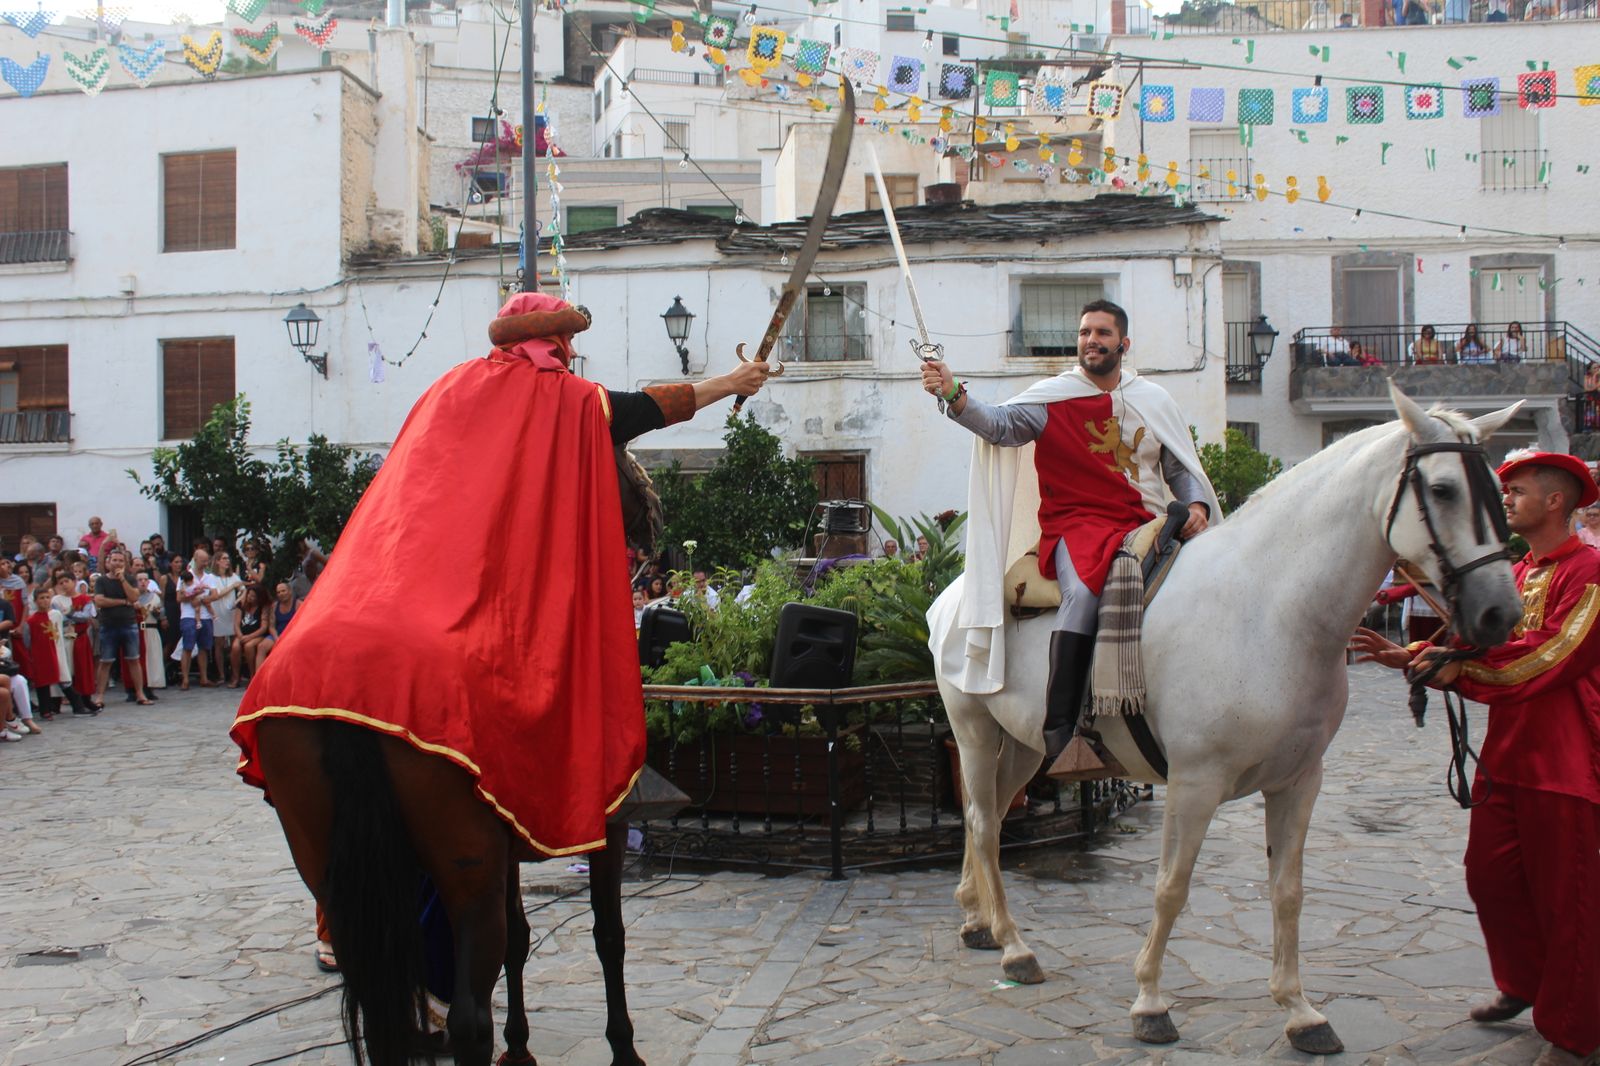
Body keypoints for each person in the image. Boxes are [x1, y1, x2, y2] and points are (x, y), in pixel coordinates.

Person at [230, 290, 774, 865]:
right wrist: (731, 382)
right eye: (566, 345)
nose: (568, 356)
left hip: (379, 586)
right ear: (554, 344)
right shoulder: (568, 399)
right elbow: (648, 407)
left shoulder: (446, 389)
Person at [1351, 451, 1599, 1066]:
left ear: (1556, 502)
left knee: (1570, 900)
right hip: (1508, 756)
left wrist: (1455, 672)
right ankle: (1524, 983)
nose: (1505, 500)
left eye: (1517, 491)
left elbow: (1549, 657)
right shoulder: (1519, 570)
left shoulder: (1590, 572)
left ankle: (1573, 1033)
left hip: (1568, 762)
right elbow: (1479, 642)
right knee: (1491, 878)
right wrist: (1417, 656)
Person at [921, 298, 1219, 777]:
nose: (1091, 341)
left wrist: (1198, 505)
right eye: (1084, 333)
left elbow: (1179, 469)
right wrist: (954, 392)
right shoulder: (1052, 399)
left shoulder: (1154, 401)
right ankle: (1063, 730)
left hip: (1145, 524)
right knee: (1082, 593)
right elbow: (998, 425)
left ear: (1123, 344)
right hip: (1076, 525)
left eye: (1102, 333)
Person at [93, 549, 152, 705]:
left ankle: (140, 694)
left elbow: (134, 597)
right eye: (115, 560)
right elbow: (99, 601)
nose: (117, 563)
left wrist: (123, 580)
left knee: (134, 659)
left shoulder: (130, 579)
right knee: (106, 661)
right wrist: (123, 602)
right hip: (108, 625)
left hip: (128, 624)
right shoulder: (101, 581)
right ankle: (100, 696)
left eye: (120, 560)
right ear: (109, 562)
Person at [208, 551, 244, 686]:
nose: (227, 561)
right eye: (224, 558)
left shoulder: (233, 576)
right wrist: (232, 587)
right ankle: (221, 674)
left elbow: (244, 590)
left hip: (231, 611)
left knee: (234, 641)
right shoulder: (211, 577)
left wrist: (238, 601)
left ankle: (235, 673)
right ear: (217, 561)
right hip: (218, 611)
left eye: (228, 558)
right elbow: (216, 595)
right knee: (219, 642)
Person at [231, 584, 266, 687]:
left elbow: (264, 627)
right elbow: (236, 624)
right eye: (249, 595)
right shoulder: (241, 605)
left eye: (253, 596)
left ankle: (252, 676)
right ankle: (236, 677)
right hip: (242, 634)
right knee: (235, 647)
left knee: (248, 646)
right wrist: (240, 636)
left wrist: (249, 637)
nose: (250, 597)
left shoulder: (263, 606)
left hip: (257, 634)